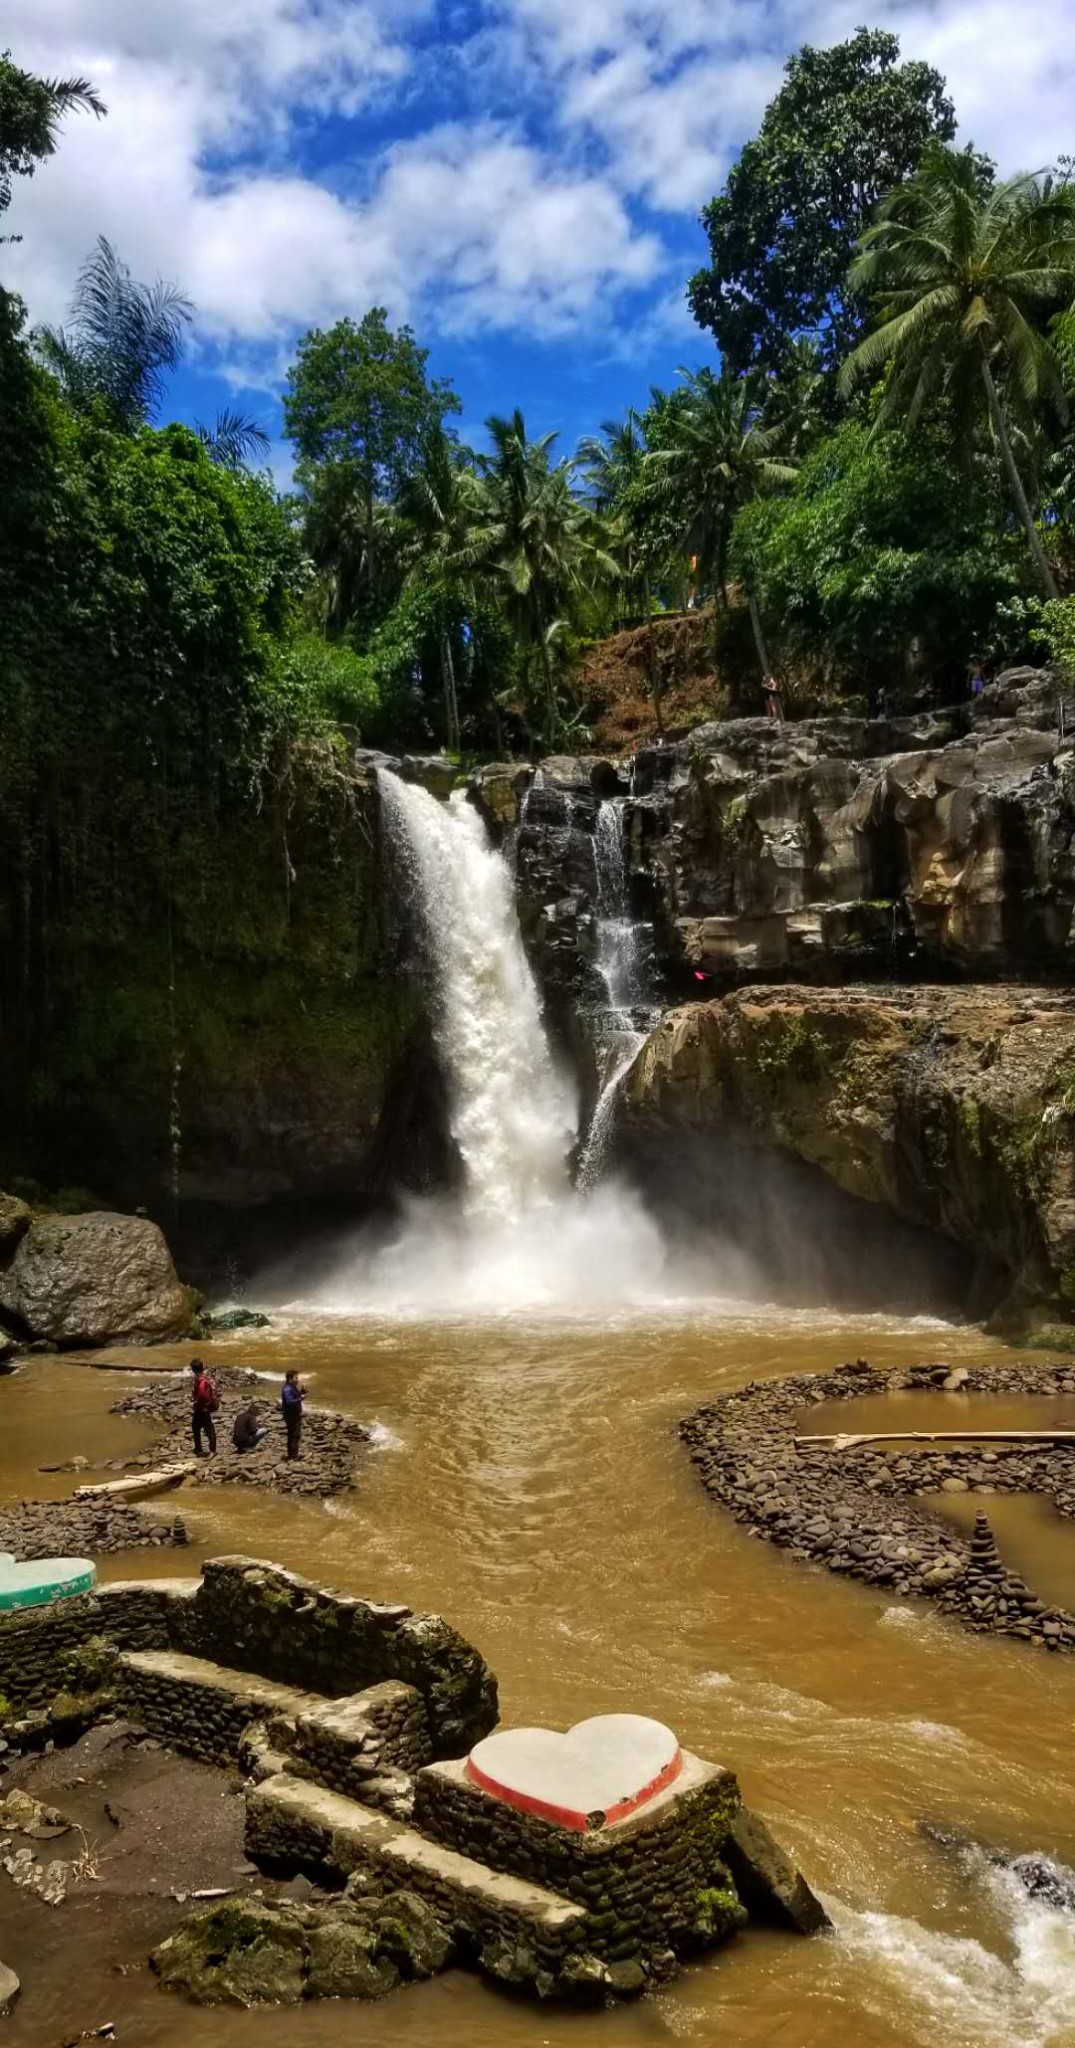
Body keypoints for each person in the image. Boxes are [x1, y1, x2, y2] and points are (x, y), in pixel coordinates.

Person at [189, 1357, 218, 1458]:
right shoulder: (204, 1378)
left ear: (194, 1369)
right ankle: (198, 1449)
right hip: (202, 1408)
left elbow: (202, 1394)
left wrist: (196, 1404)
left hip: (202, 1408)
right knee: (196, 1427)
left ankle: (212, 1450)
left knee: (208, 1428)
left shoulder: (201, 1380)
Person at [281, 1369, 305, 1460]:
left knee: (294, 1435)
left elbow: (295, 1396)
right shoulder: (287, 1388)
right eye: (296, 1378)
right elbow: (289, 1401)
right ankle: (293, 1456)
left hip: (294, 1414)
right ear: (290, 1379)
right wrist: (301, 1398)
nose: (297, 1380)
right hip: (291, 1415)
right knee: (294, 1435)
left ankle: (293, 1454)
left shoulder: (292, 1387)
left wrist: (302, 1392)